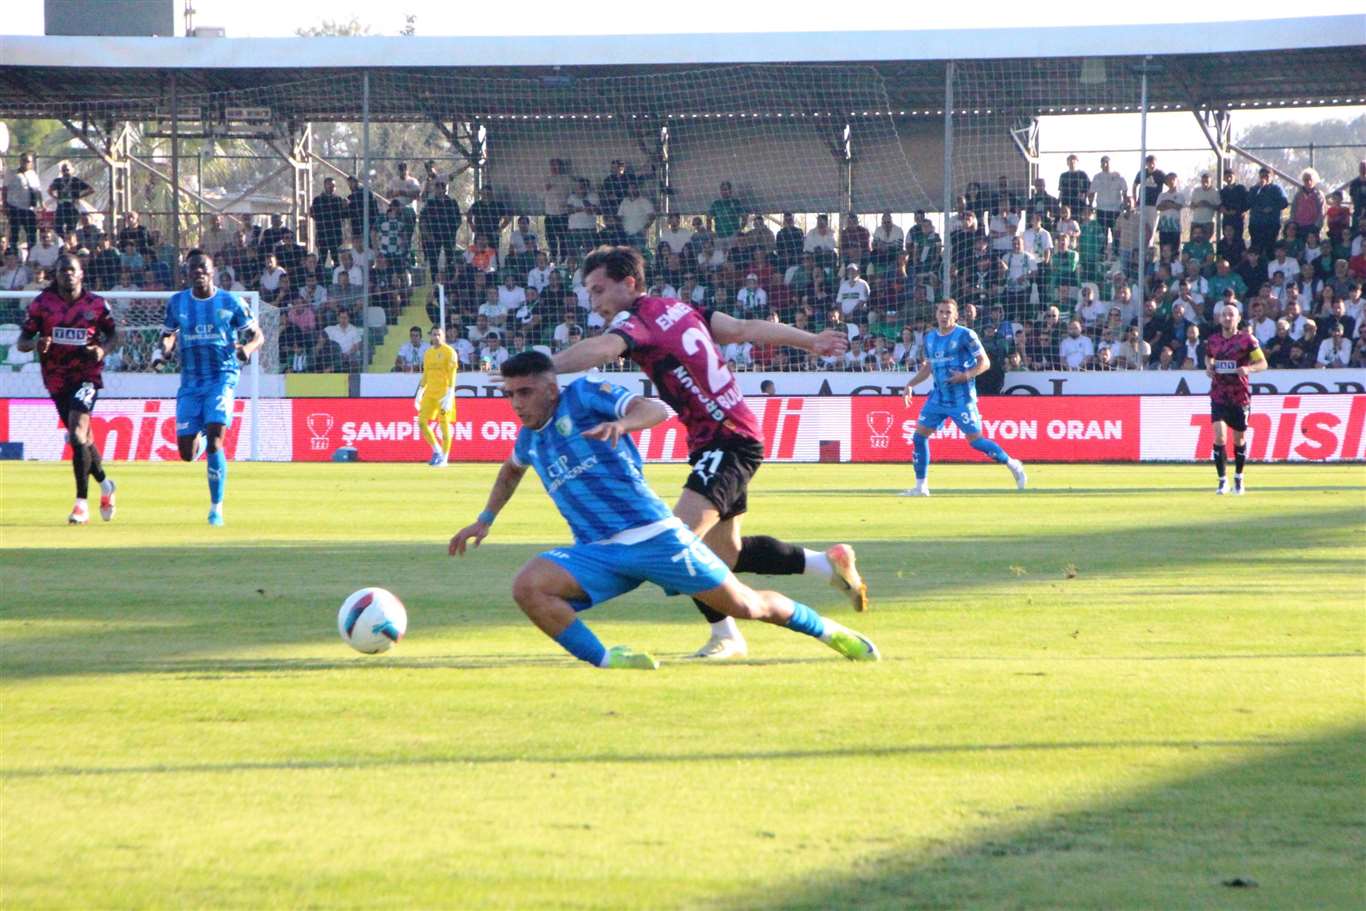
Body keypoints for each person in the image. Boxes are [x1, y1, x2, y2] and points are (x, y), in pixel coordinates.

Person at [448, 352, 880, 669]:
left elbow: (653, 408)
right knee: (529, 586)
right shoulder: (530, 438)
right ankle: (608, 660)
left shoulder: (582, 396)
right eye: (510, 395)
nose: (517, 403)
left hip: (654, 537)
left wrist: (623, 424)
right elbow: (510, 472)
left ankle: (833, 633)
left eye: (525, 392)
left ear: (550, 387)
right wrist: (483, 520)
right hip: (599, 552)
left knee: (748, 605)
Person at [543, 245, 864, 659]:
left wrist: (543, 365)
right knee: (724, 554)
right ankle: (826, 563)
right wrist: (812, 341)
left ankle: (726, 636)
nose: (594, 301)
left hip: (726, 439)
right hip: (727, 435)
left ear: (629, 283)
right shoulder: (679, 307)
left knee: (676, 544)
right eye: (588, 292)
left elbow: (604, 350)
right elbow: (743, 328)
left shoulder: (635, 320)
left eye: (599, 289)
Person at [158, 250, 262, 526]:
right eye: (193, 268)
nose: (198, 272)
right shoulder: (178, 302)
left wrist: (247, 350)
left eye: (203, 268)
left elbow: (257, 335)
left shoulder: (231, 301)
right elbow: (168, 333)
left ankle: (216, 508)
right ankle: (201, 440)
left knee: (217, 439)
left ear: (212, 271)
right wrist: (165, 350)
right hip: (190, 383)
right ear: (187, 272)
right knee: (186, 453)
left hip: (222, 376)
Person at [16, 252, 118, 524]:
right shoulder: (42, 305)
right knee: (83, 439)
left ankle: (81, 504)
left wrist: (102, 350)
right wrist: (36, 343)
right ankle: (106, 485)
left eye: (72, 270)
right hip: (56, 378)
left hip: (87, 376)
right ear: (56, 275)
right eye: (63, 271)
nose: (68, 274)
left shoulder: (96, 304)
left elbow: (115, 335)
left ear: (81, 274)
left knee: (75, 432)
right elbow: (22, 341)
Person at [900, 299, 1028, 497]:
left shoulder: (966, 335)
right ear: (936, 314)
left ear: (956, 315)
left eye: (948, 312)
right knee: (919, 436)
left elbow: (984, 363)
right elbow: (929, 367)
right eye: (941, 312)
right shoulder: (930, 338)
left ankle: (1012, 464)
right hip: (938, 398)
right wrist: (910, 385)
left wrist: (965, 376)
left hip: (962, 400)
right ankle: (921, 487)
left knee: (976, 442)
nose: (944, 316)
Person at [1204, 301, 1267, 495]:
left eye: (1231, 314)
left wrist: (1248, 368)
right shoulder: (1213, 340)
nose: (1227, 318)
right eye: (1224, 314)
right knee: (1219, 436)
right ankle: (1222, 480)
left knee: (1239, 440)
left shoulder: (1247, 340)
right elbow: (1208, 357)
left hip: (1240, 396)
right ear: (1219, 318)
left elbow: (1263, 363)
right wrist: (1209, 367)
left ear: (1238, 319)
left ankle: (1239, 477)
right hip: (1219, 394)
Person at [415, 325, 458, 466]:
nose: (436, 337)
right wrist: (419, 392)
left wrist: (450, 393)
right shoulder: (428, 353)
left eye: (439, 334)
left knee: (444, 425)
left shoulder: (450, 352)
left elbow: (452, 374)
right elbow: (426, 374)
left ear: (443, 336)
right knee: (421, 422)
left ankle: (444, 459)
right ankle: (437, 450)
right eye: (434, 334)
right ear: (430, 336)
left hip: (444, 394)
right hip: (430, 394)